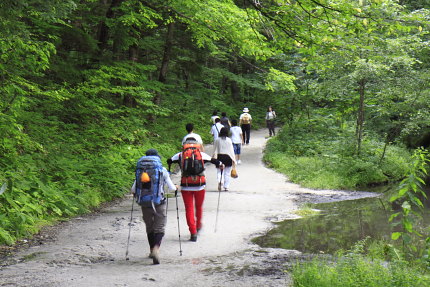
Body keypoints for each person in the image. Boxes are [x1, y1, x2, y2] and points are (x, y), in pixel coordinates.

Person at [131, 149, 178, 265]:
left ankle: (151, 250)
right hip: (159, 202)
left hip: (144, 202)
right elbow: (172, 188)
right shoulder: (162, 170)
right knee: (160, 226)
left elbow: (133, 189)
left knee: (149, 226)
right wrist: (176, 187)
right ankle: (157, 248)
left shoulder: (141, 170)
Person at [167, 145, 223, 242]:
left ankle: (193, 232)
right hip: (200, 185)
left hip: (186, 185)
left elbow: (169, 161)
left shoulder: (180, 155)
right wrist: (221, 164)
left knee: (189, 208)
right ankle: (198, 226)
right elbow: (216, 161)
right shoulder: (201, 154)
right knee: (199, 206)